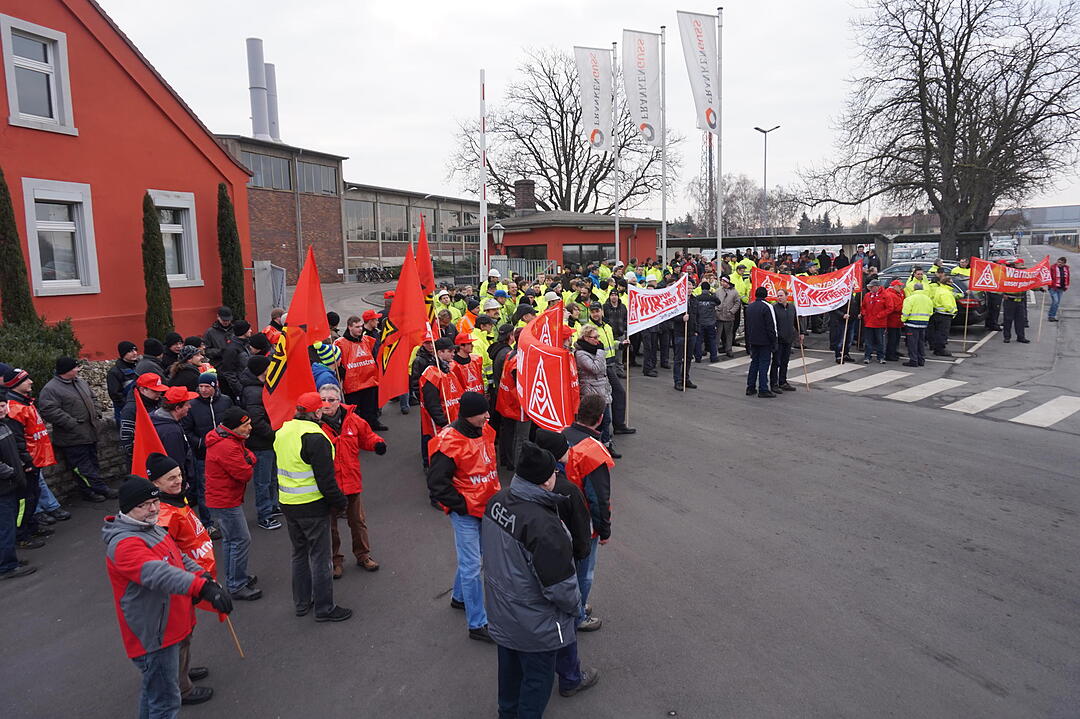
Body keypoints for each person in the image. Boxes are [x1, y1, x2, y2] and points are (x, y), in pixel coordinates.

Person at [482, 441, 597, 717]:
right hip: (537, 626)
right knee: (536, 683)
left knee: (509, 678)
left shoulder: (497, 501)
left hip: (503, 611)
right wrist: (576, 609)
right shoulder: (544, 527)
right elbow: (562, 589)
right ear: (547, 480)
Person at [103, 476, 233, 718]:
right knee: (165, 703)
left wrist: (201, 575)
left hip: (167, 625)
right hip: (154, 634)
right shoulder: (125, 544)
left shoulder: (149, 527)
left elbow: (176, 557)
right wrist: (201, 589)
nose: (153, 509)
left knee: (154, 692)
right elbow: (158, 573)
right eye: (144, 505)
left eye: (155, 502)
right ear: (127, 508)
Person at [426, 391, 500, 643]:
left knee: (473, 561)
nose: (488, 416)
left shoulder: (487, 431)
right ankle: (477, 624)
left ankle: (459, 598)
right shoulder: (447, 443)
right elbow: (437, 485)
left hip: (487, 508)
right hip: (467, 513)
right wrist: (463, 506)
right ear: (469, 415)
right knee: (471, 567)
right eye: (483, 413)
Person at [144, 452, 217, 707]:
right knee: (178, 633)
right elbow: (166, 553)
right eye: (170, 478)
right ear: (156, 484)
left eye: (179, 475)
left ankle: (182, 670)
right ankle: (181, 687)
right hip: (180, 582)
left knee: (186, 630)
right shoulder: (163, 515)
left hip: (189, 576)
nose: (178, 481)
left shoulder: (176, 499)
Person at [274, 391, 352, 622]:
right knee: (320, 557)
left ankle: (301, 603)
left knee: (299, 554)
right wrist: (340, 503)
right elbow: (326, 480)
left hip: (288, 503)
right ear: (317, 411)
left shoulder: (283, 431)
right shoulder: (316, 437)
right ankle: (325, 608)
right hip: (312, 505)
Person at [318, 383, 386, 577]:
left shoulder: (353, 420)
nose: (327, 403)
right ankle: (335, 560)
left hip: (351, 481)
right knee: (330, 527)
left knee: (357, 522)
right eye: (323, 399)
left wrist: (378, 444)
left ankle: (363, 555)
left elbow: (367, 437)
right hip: (328, 486)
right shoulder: (314, 425)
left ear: (339, 401)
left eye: (331, 399)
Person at [562, 395, 614, 633]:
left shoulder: (560, 435)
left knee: (566, 568)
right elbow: (599, 499)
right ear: (600, 418)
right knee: (584, 572)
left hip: (558, 517)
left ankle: (570, 605)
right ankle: (577, 613)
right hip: (582, 524)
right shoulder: (593, 451)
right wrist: (604, 530)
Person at [38, 357, 117, 500]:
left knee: (92, 463)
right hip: (72, 437)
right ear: (66, 370)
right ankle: (93, 491)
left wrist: (97, 411)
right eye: (75, 367)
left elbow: (93, 398)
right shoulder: (51, 389)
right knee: (82, 468)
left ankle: (96, 488)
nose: (78, 369)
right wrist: (71, 423)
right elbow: (49, 410)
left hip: (89, 432)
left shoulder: (80, 382)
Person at [204, 407, 261, 601]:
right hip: (225, 501)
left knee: (231, 540)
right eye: (246, 425)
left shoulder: (227, 440)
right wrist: (248, 460)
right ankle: (236, 584)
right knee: (240, 540)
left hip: (222, 498)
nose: (250, 428)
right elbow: (245, 473)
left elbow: (248, 458)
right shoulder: (228, 446)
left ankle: (235, 578)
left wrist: (247, 459)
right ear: (235, 427)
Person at [239, 355, 281, 531]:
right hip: (261, 443)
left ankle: (272, 505)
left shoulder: (260, 387)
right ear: (262, 370)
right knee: (263, 481)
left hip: (267, 441)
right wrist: (274, 434)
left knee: (271, 477)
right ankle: (265, 515)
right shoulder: (254, 391)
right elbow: (256, 420)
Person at [0, 396, 36, 577]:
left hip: (10, 484)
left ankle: (8, 559)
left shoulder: (4, 425)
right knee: (5, 526)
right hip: (4, 487)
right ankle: (7, 566)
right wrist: (11, 473)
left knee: (8, 524)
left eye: (1, 405)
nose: (1, 409)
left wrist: (21, 464)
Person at [418, 338, 462, 469]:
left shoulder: (449, 368)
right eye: (450, 351)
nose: (453, 354)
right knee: (436, 449)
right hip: (440, 424)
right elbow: (432, 404)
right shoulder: (432, 374)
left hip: (452, 418)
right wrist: (442, 422)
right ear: (439, 353)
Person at [335, 313, 383, 430]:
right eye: (357, 327)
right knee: (355, 411)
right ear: (349, 327)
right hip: (353, 384)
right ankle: (357, 429)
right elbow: (338, 363)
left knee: (370, 407)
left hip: (369, 380)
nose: (360, 329)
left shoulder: (366, 340)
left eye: (361, 326)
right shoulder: (340, 343)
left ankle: (372, 424)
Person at [744, 287, 778, 398]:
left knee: (754, 363)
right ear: (766, 295)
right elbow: (771, 326)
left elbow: (747, 325)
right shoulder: (767, 307)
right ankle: (763, 388)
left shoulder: (750, 307)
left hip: (753, 339)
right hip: (765, 340)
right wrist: (774, 341)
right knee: (764, 364)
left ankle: (750, 387)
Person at [770, 290, 799, 391]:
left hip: (788, 338)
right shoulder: (774, 308)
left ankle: (783, 381)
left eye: (781, 295)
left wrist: (801, 332)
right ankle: (774, 384)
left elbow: (796, 321)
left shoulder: (792, 307)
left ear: (787, 296)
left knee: (785, 362)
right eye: (778, 296)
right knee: (776, 362)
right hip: (778, 339)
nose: (779, 298)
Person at [901, 283, 933, 366]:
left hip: (912, 324)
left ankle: (913, 360)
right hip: (924, 324)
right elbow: (931, 312)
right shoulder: (928, 299)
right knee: (921, 343)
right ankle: (921, 360)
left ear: (914, 289)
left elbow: (906, 312)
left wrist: (903, 320)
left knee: (912, 343)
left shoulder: (910, 299)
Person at [107, 341, 140, 422]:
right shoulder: (114, 372)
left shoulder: (140, 367)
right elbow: (115, 395)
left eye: (135, 350)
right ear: (123, 354)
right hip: (125, 411)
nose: (135, 353)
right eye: (130, 351)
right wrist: (130, 406)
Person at [860, 281, 890, 364]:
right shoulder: (867, 296)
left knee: (880, 341)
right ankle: (867, 356)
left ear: (877, 287)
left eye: (872, 287)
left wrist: (880, 315)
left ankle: (880, 357)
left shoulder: (885, 296)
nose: (871, 289)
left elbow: (889, 308)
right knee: (868, 341)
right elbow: (863, 307)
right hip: (869, 322)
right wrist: (864, 314)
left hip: (879, 323)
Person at [929, 275, 957, 356]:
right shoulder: (946, 293)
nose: (952, 283)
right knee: (943, 333)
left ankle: (937, 348)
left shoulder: (940, 289)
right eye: (951, 282)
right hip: (945, 315)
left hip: (938, 314)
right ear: (947, 282)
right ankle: (940, 350)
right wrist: (954, 312)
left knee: (938, 332)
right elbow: (948, 306)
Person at [693, 282, 720, 363]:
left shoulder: (697, 298)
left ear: (701, 288)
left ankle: (698, 357)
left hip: (700, 322)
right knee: (712, 340)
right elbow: (719, 302)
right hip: (711, 322)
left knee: (699, 340)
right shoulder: (712, 298)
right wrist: (713, 294)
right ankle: (714, 357)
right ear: (709, 289)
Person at [715, 276, 741, 358]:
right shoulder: (718, 291)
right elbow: (714, 301)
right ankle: (714, 351)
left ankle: (729, 350)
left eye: (723, 281)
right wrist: (716, 309)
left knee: (729, 335)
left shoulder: (734, 292)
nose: (722, 283)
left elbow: (737, 303)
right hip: (719, 316)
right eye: (721, 281)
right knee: (717, 335)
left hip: (729, 316)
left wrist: (732, 311)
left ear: (727, 282)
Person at [884, 280, 906, 361]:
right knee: (892, 339)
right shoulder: (891, 294)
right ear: (894, 286)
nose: (901, 288)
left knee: (895, 338)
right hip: (892, 321)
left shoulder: (896, 294)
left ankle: (893, 353)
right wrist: (904, 308)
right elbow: (894, 308)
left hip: (896, 321)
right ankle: (890, 354)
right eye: (899, 286)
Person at [1048, 256, 1070, 322]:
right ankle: (1051, 316)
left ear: (1064, 263)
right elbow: (1049, 276)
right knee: (1055, 301)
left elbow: (1067, 277)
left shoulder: (1066, 268)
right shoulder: (1052, 268)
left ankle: (1053, 316)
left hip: (1061, 288)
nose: (1059, 263)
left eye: (1061, 263)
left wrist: (1066, 285)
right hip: (1053, 288)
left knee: (1057, 303)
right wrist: (1049, 285)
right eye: (1058, 262)